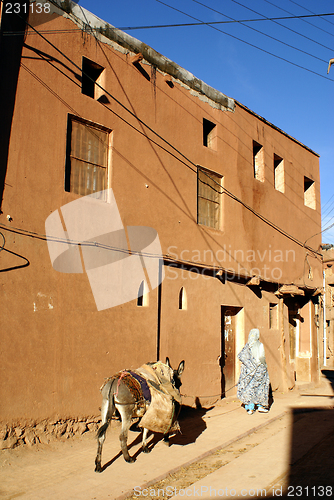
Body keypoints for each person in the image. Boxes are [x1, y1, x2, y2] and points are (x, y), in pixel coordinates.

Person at [237, 328, 270, 415]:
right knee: (260, 387)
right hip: (259, 370)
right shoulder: (260, 345)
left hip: (248, 371)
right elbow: (261, 357)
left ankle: (250, 408)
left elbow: (242, 357)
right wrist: (264, 366)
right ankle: (260, 406)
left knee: (249, 388)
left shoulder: (247, 346)